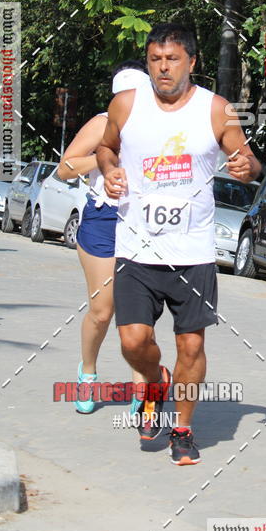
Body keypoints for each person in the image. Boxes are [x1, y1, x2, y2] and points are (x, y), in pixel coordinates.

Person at [97, 23, 261, 466]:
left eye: (172, 60)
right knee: (133, 342)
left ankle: (183, 430)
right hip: (136, 246)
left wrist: (246, 166)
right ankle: (154, 381)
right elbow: (106, 148)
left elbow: (248, 159)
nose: (163, 68)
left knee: (191, 345)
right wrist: (110, 169)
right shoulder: (126, 105)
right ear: (147, 62)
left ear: (191, 61)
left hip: (192, 252)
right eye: (155, 60)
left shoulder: (216, 109)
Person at [58, 61, 152, 414]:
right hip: (103, 220)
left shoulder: (158, 129)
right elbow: (65, 166)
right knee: (102, 311)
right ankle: (88, 373)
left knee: (137, 310)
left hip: (144, 223)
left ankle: (140, 390)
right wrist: (101, 159)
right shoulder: (102, 124)